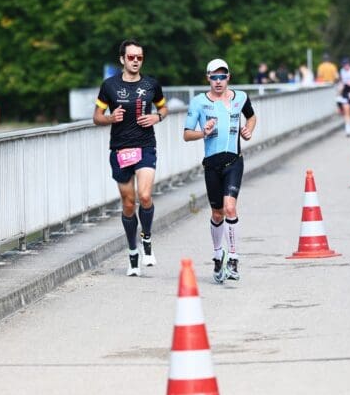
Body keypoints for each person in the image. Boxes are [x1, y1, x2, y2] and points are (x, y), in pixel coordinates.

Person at [93, 39, 168, 276]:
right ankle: (132, 251)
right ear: (122, 59)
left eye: (140, 57)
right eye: (131, 57)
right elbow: (96, 117)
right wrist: (110, 118)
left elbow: (163, 108)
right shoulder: (109, 86)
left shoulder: (151, 84)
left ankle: (146, 239)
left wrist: (157, 117)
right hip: (120, 149)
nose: (136, 61)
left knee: (145, 196)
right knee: (128, 204)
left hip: (145, 146)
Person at [183, 58, 256, 283]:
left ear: (228, 77)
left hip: (234, 161)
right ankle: (218, 255)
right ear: (208, 78)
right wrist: (203, 132)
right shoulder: (198, 103)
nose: (218, 81)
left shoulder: (240, 97)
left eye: (222, 76)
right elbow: (186, 134)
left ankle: (233, 257)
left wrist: (248, 130)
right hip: (211, 165)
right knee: (217, 213)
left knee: (230, 207)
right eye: (213, 77)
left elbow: (251, 116)